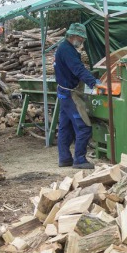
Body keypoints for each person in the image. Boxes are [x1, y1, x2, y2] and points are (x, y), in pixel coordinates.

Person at [54, 22, 103, 169]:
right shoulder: (67, 50)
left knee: (65, 126)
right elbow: (78, 69)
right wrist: (94, 83)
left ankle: (64, 159)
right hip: (70, 93)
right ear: (74, 36)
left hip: (63, 92)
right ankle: (79, 160)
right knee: (83, 127)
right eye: (81, 38)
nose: (82, 41)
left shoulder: (63, 47)